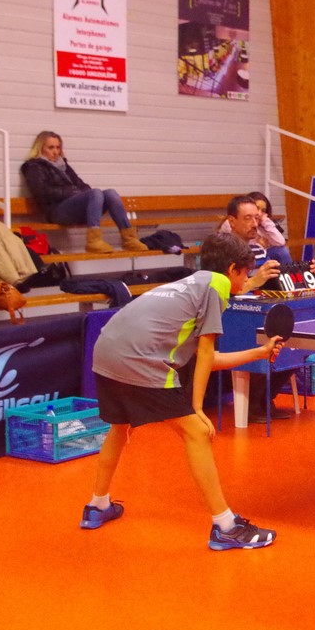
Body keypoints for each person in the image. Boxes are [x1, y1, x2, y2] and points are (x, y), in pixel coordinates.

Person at [79, 232, 285, 550]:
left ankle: (97, 505)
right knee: (197, 433)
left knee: (119, 426)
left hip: (105, 352)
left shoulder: (191, 285)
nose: (246, 280)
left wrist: (259, 352)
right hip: (139, 358)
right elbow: (206, 351)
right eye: (245, 273)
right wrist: (197, 409)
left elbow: (207, 359)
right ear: (232, 269)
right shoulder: (217, 285)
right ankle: (226, 527)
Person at [20, 131, 148, 253]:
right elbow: (42, 192)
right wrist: (72, 192)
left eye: (58, 147)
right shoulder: (34, 166)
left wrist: (81, 193)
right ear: (40, 148)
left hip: (73, 207)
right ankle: (94, 241)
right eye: (51, 147)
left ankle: (129, 239)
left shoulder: (63, 165)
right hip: (56, 211)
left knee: (110, 193)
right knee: (95, 193)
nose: (55, 152)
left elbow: (81, 185)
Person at [219, 191, 292, 264]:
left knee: (281, 251)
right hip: (239, 256)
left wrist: (266, 222)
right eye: (257, 208)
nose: (260, 213)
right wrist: (259, 246)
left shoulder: (263, 223)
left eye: (263, 210)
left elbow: (280, 242)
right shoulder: (230, 223)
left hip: (260, 254)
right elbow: (234, 244)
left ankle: (290, 271)